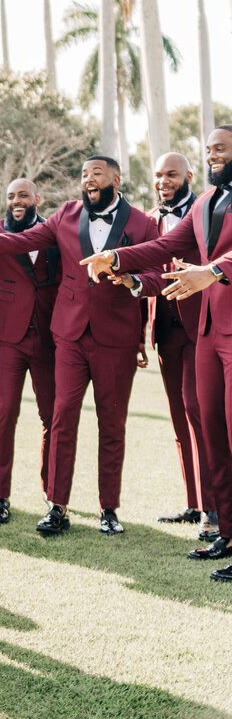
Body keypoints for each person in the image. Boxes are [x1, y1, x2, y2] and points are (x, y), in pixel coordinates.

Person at [0, 155, 160, 536]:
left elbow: (155, 272)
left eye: (96, 173)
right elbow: (29, 239)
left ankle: (109, 509)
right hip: (69, 335)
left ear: (115, 178)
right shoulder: (65, 214)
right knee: (62, 418)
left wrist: (134, 283)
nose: (88, 179)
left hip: (117, 337)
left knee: (112, 423)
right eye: (84, 174)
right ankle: (57, 505)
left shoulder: (142, 222)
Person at [80, 127, 232, 582]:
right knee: (213, 431)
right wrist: (117, 259)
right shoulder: (205, 203)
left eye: (220, 148)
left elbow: (217, 261)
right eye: (209, 150)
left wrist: (215, 271)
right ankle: (225, 528)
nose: (213, 155)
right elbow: (165, 246)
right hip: (205, 332)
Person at [0, 178, 59, 525]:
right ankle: (0, 497)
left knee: (52, 415)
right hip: (7, 335)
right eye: (10, 196)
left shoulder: (53, 232)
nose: (16, 201)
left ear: (37, 198)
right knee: (4, 413)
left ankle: (54, 494)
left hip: (49, 335)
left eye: (23, 195)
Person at [145, 154, 217, 539]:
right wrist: (143, 333)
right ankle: (193, 502)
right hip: (164, 330)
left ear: (189, 176)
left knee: (197, 410)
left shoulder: (207, 211)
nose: (163, 181)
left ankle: (213, 507)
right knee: (178, 417)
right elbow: (146, 271)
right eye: (158, 175)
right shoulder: (151, 219)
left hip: (200, 327)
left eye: (171, 174)